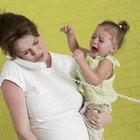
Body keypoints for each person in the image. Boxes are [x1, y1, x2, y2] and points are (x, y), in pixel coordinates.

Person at [0, 12, 112, 140]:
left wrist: (106, 118)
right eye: (26, 52)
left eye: (36, 42)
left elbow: (97, 97)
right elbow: (23, 132)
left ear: (38, 32)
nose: (36, 52)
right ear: (13, 56)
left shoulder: (70, 62)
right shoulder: (14, 70)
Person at [60, 20, 129, 140]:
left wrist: (81, 61)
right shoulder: (92, 56)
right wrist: (70, 35)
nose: (94, 41)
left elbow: (95, 80)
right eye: (93, 37)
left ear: (113, 48)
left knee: (92, 134)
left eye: (101, 40)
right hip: (87, 101)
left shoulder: (106, 62)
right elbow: (75, 48)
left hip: (98, 106)